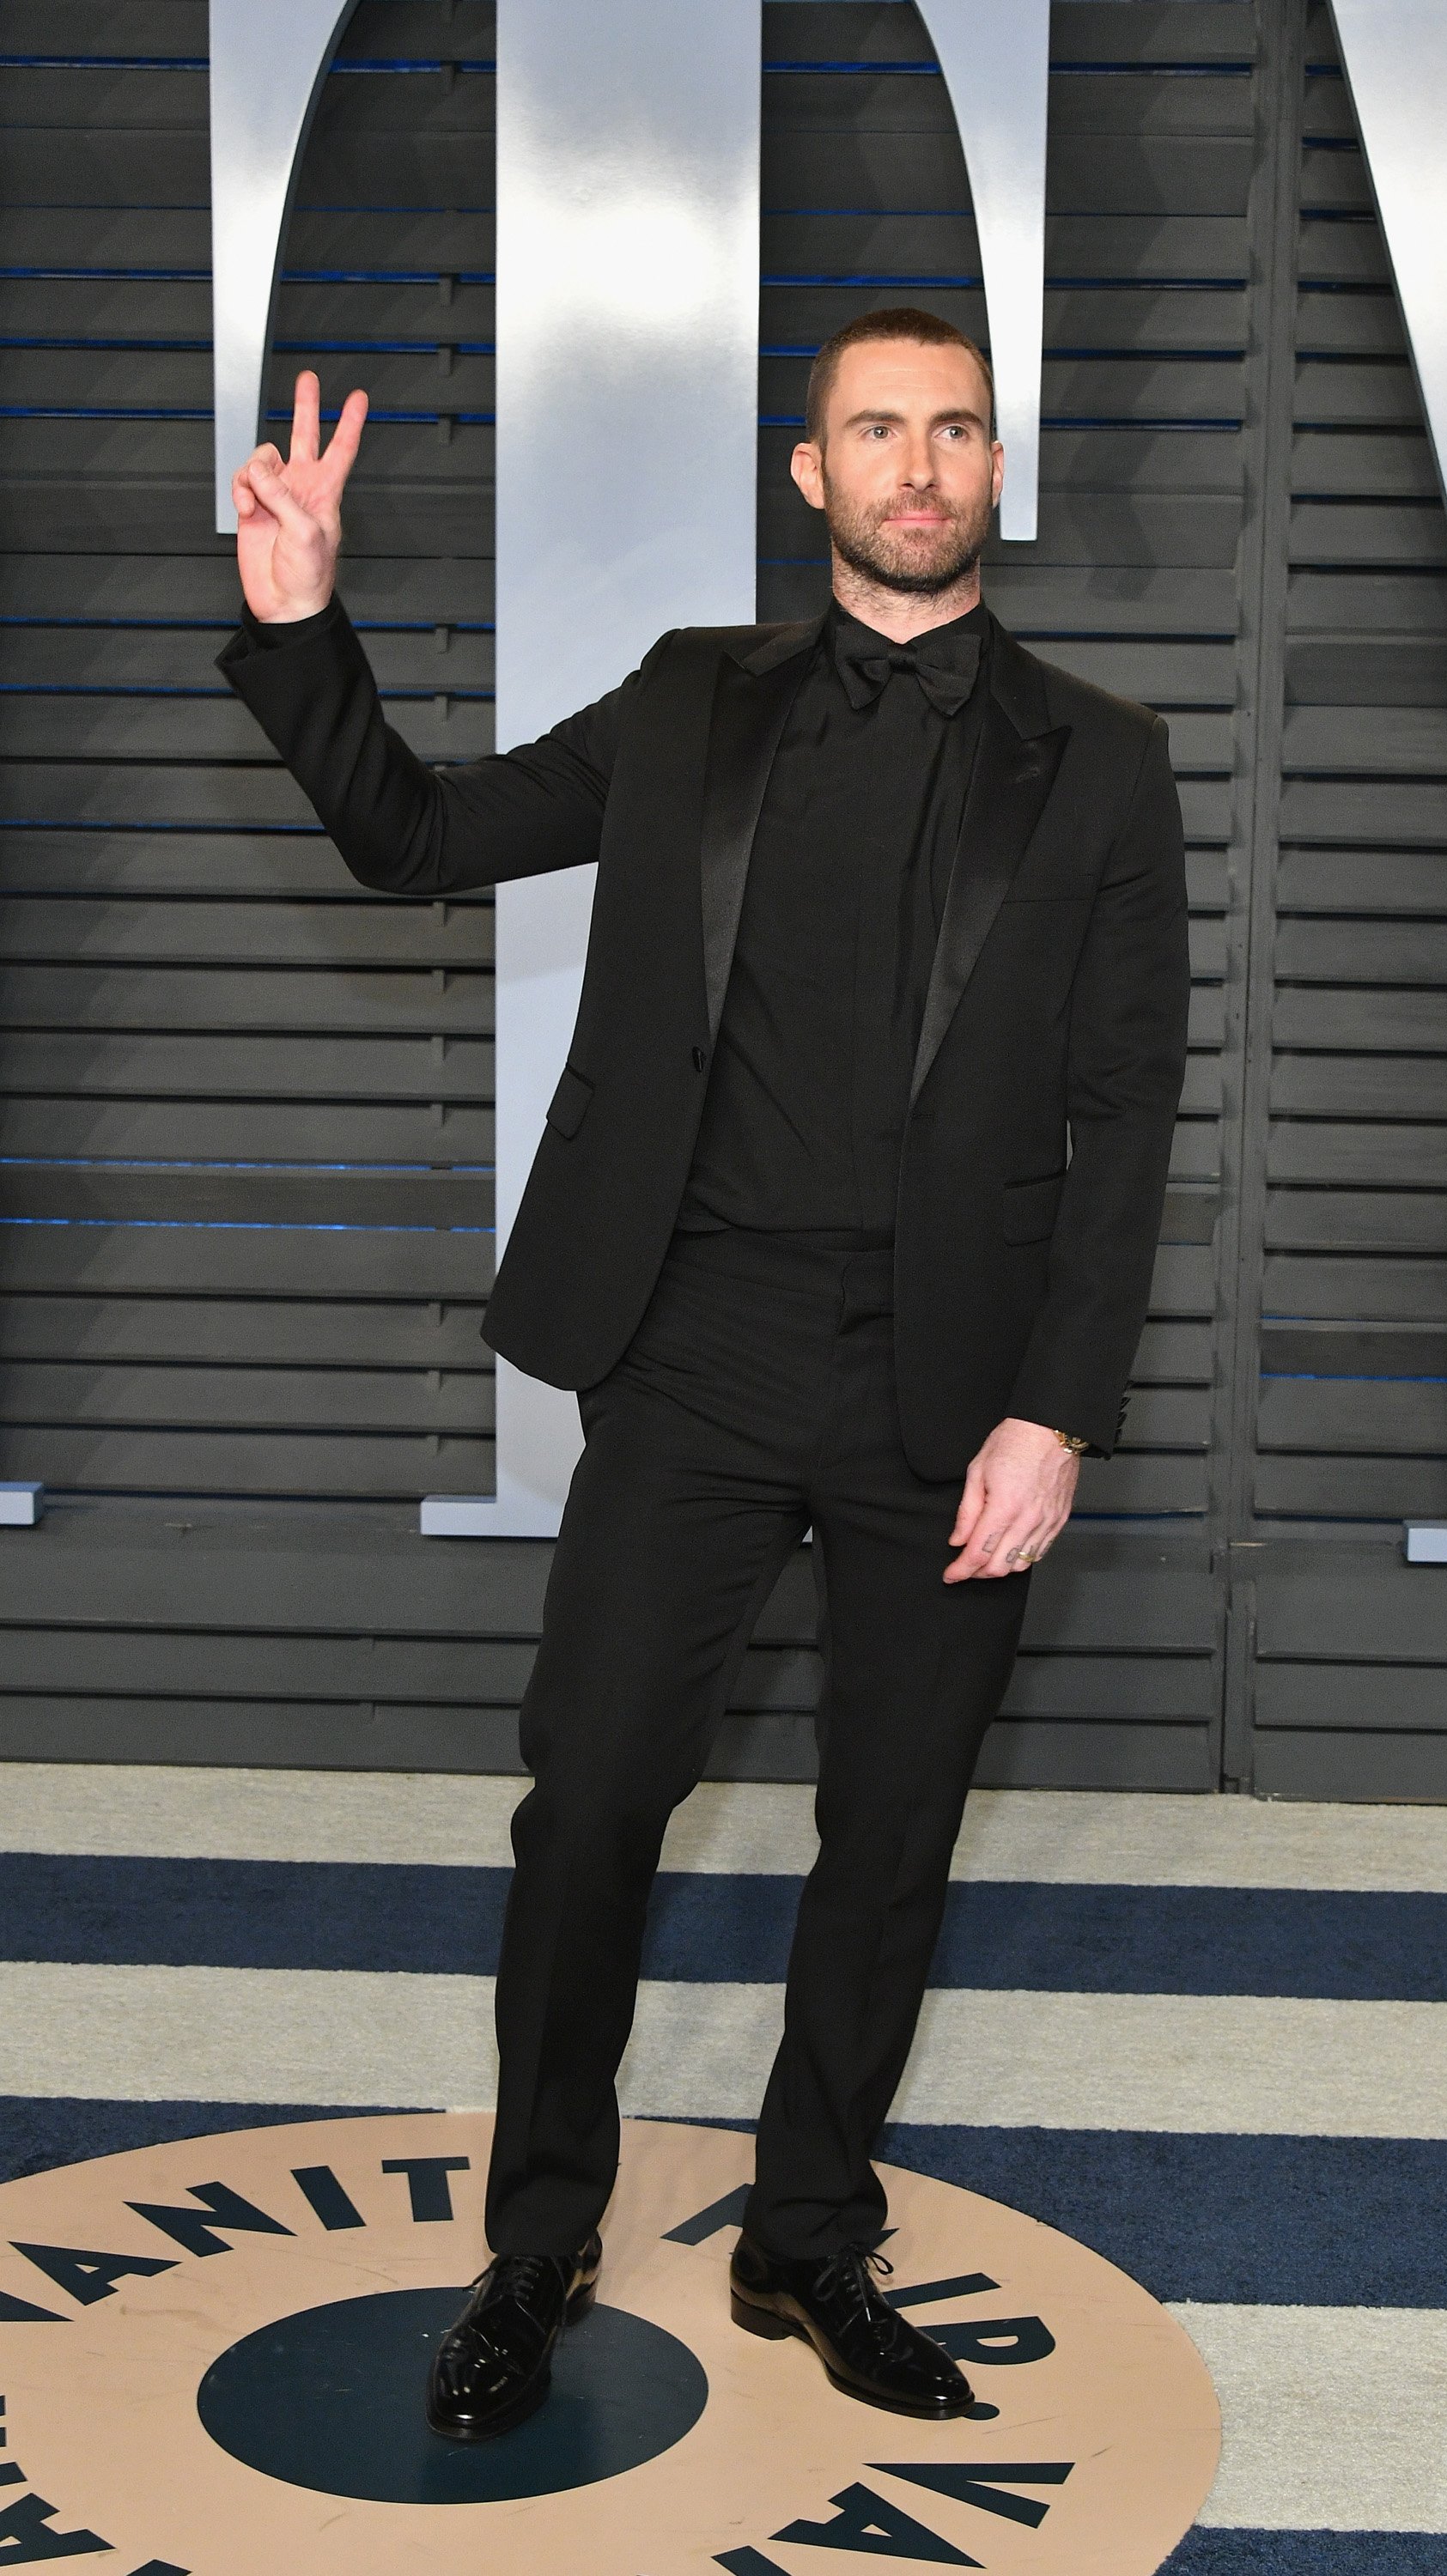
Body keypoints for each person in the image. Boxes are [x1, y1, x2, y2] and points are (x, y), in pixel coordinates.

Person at [218, 309, 1190, 2441]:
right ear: (808, 474)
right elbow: (417, 838)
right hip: (691, 1355)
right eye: (874, 430)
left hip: (952, 1394)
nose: (915, 464)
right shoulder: (690, 703)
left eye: (951, 430)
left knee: (893, 1836)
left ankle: (805, 2243)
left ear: (993, 468)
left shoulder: (1101, 758)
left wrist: (1060, 1407)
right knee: (587, 1816)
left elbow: (1128, 1108)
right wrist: (304, 628)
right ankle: (537, 2241)